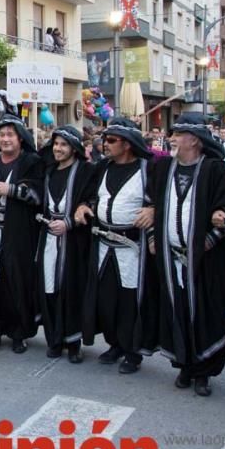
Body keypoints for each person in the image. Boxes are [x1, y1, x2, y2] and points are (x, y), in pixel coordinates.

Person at [146, 112, 225, 397]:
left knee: (205, 313)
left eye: (178, 134)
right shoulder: (163, 168)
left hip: (205, 263)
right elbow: (150, 202)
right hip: (171, 259)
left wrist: (212, 237)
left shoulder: (215, 170)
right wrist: (154, 236)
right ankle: (184, 365)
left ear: (195, 140)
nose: (172, 138)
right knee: (176, 309)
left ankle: (203, 372)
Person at [76, 118, 155, 375]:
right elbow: (89, 195)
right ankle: (115, 344)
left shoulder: (148, 170)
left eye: (111, 140)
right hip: (102, 244)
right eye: (105, 139)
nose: (105, 144)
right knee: (106, 298)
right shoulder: (102, 167)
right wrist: (83, 205)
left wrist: (153, 210)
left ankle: (132, 351)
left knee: (129, 300)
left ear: (128, 144)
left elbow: (162, 198)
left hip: (131, 247)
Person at [0, 114, 44, 354]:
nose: (5, 139)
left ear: (20, 138)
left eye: (10, 134)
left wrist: (12, 190)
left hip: (19, 233)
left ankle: (18, 333)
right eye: (1, 135)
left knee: (17, 281)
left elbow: (38, 196)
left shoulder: (31, 161)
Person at [36, 126, 94, 363]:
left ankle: (73, 342)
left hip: (73, 242)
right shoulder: (48, 171)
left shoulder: (85, 171)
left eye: (64, 145)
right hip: (49, 238)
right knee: (49, 288)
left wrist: (70, 223)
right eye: (56, 144)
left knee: (71, 289)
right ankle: (54, 339)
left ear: (74, 148)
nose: (58, 149)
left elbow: (93, 200)